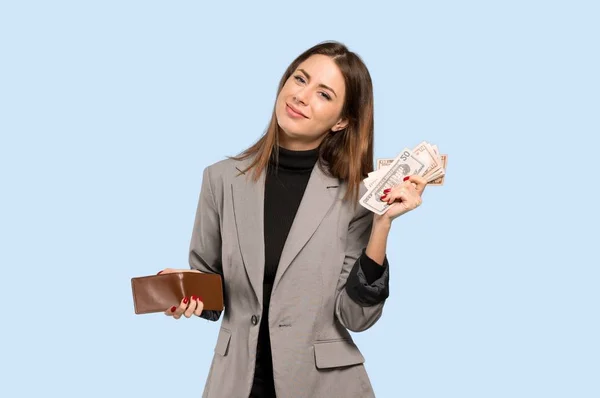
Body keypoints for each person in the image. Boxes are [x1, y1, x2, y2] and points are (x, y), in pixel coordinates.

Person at [158, 40, 427, 398]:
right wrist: (186, 292)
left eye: (324, 94)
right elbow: (212, 285)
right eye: (300, 79)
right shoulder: (220, 179)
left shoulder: (356, 197)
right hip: (236, 383)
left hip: (326, 386)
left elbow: (356, 317)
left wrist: (381, 224)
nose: (302, 96)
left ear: (342, 120)